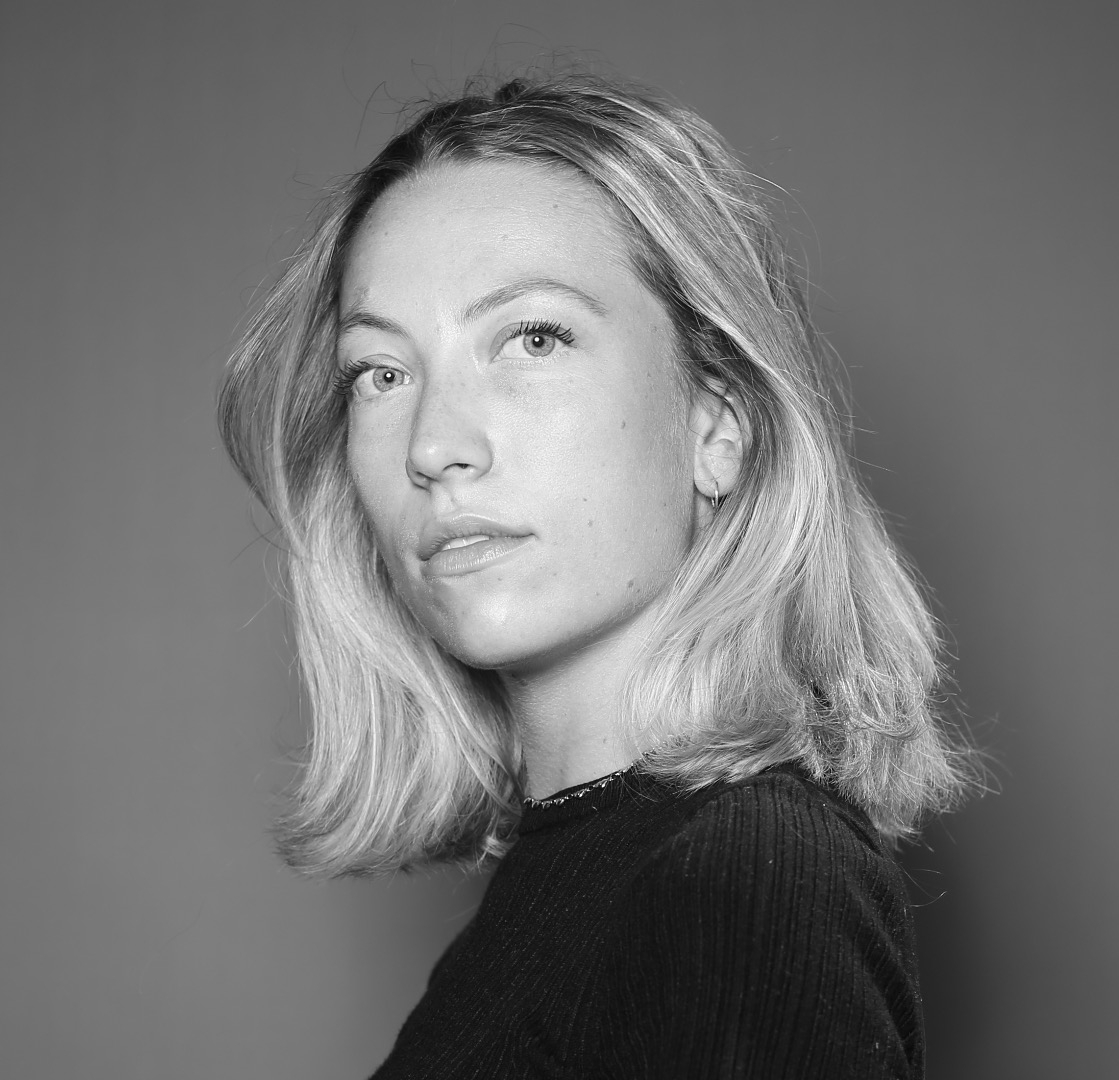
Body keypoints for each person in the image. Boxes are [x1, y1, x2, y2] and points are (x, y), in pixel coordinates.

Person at [218, 72, 974, 1079]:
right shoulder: (579, 880)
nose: (433, 446)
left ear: (717, 426)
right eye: (381, 374)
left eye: (533, 338)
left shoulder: (743, 876)